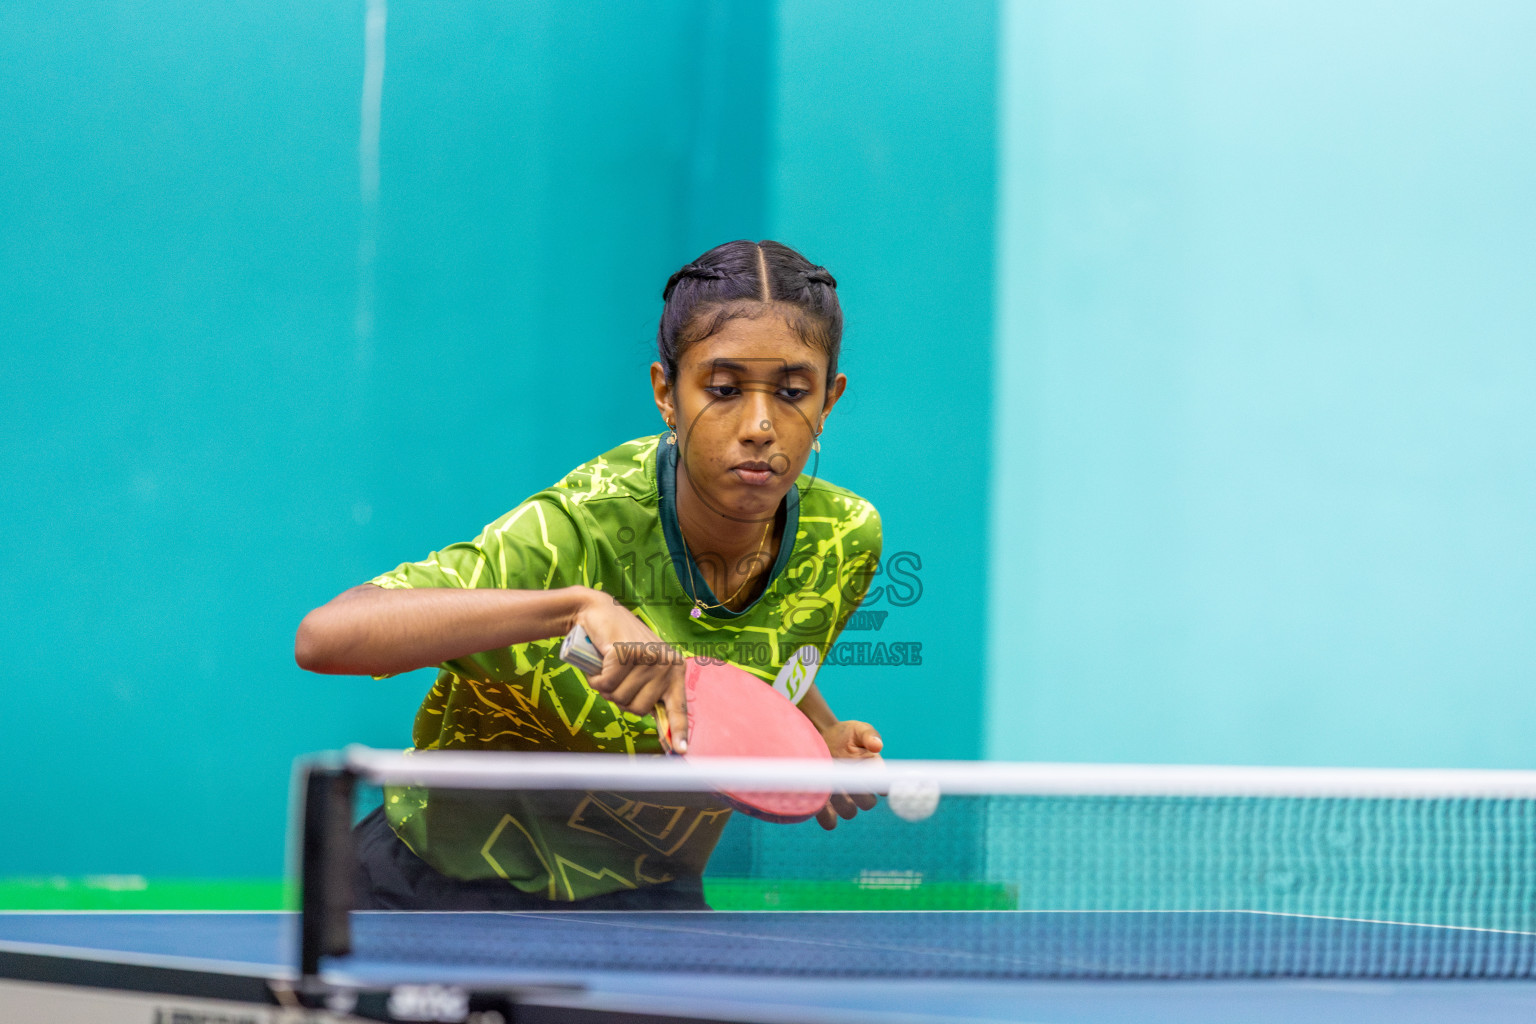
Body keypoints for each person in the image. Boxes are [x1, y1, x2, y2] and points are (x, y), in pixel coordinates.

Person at [295, 239, 884, 911]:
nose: (758, 424)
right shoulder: (577, 528)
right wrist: (571, 609)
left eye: (792, 391)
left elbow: (759, 656)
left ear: (829, 400)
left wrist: (818, 734)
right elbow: (325, 637)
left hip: (646, 890)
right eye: (722, 389)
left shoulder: (844, 539)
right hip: (439, 886)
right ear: (667, 393)